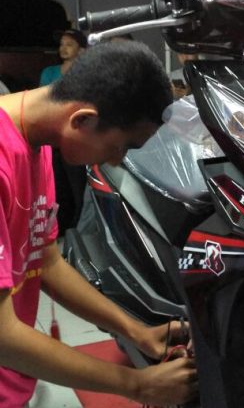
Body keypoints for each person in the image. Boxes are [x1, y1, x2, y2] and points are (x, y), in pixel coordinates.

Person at [0, 40, 197, 407]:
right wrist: (137, 385)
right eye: (122, 146)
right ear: (83, 120)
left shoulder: (35, 142)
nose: (118, 161)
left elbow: (45, 261)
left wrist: (136, 331)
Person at [39, 29, 89, 236]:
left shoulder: (86, 73)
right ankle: (57, 229)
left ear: (81, 50)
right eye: (61, 44)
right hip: (52, 139)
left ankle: (76, 231)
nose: (63, 48)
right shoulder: (49, 72)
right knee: (56, 188)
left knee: (78, 189)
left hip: (76, 139)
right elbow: (44, 101)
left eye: (69, 44)